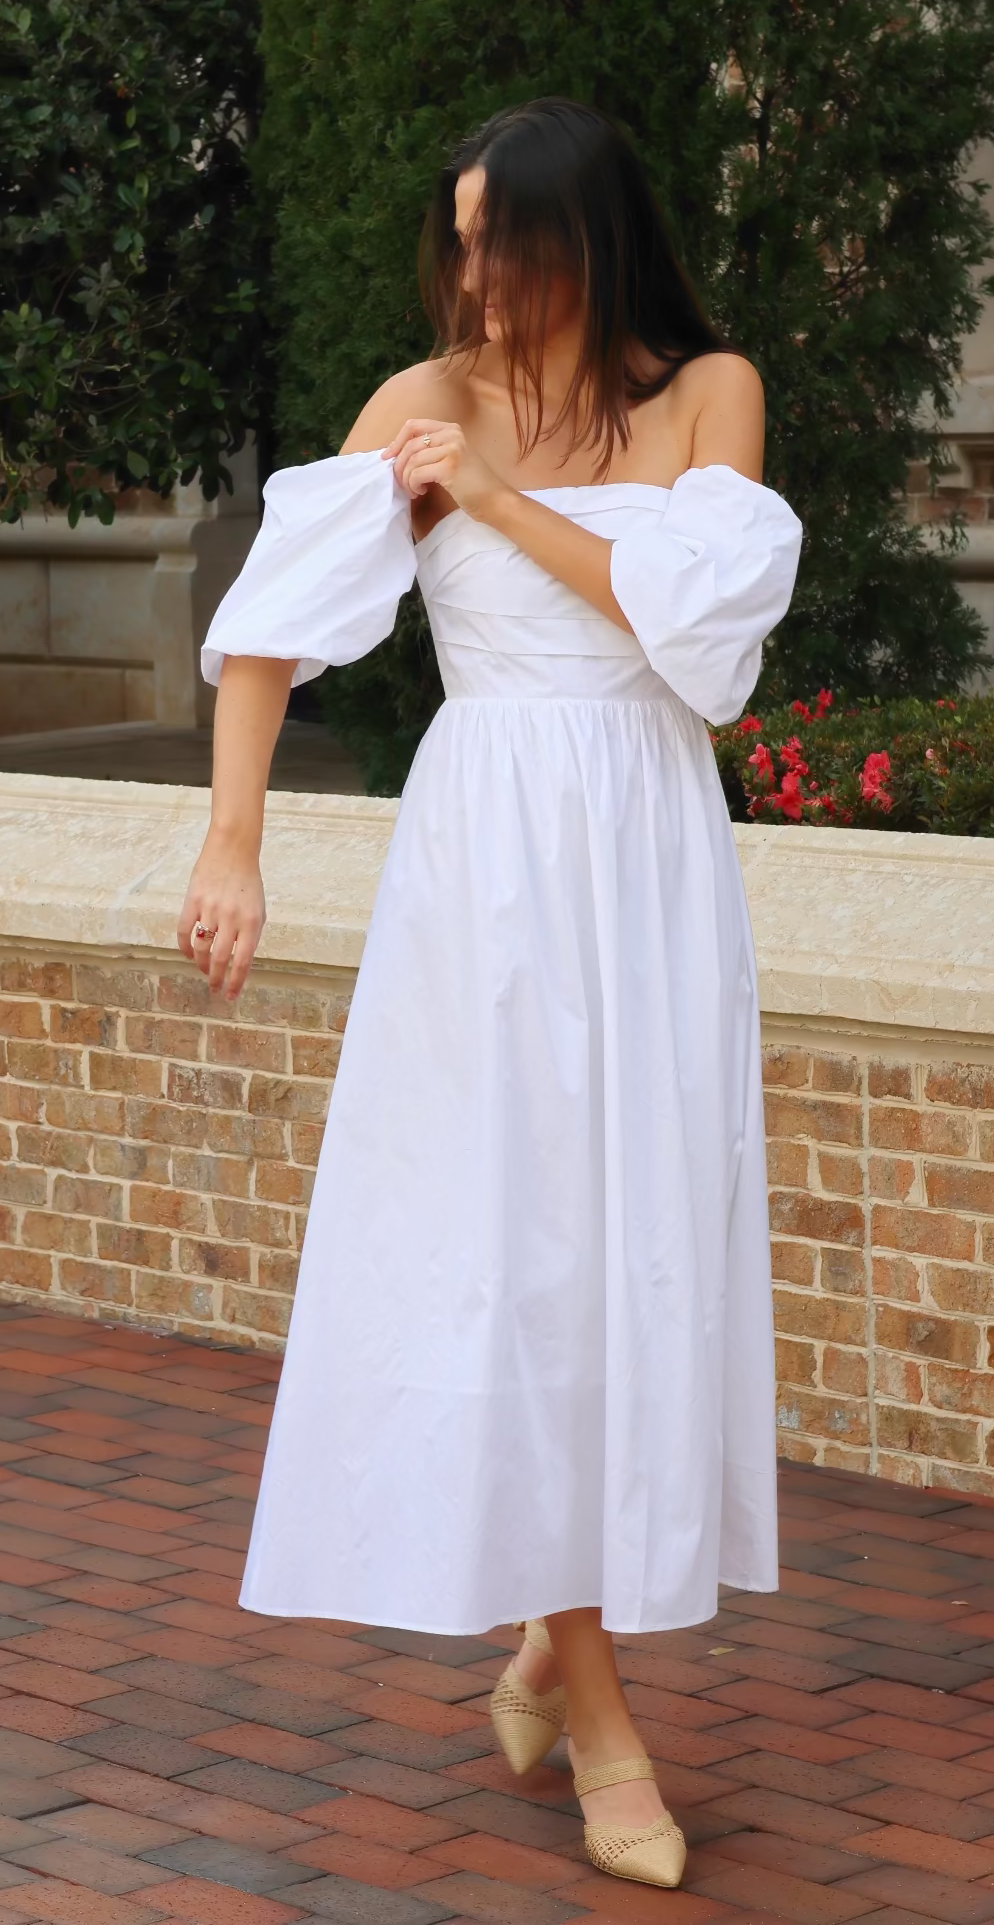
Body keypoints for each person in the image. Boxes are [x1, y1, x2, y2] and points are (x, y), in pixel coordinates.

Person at [178, 97, 802, 1890]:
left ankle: (544, 1636)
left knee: (633, 1262)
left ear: (583, 240)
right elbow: (269, 627)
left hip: (649, 865)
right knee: (514, 1264)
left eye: (498, 239)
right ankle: (599, 1715)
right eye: (453, 238)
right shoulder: (417, 401)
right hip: (487, 876)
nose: (469, 274)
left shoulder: (708, 396)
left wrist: (498, 496)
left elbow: (699, 642)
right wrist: (234, 843)